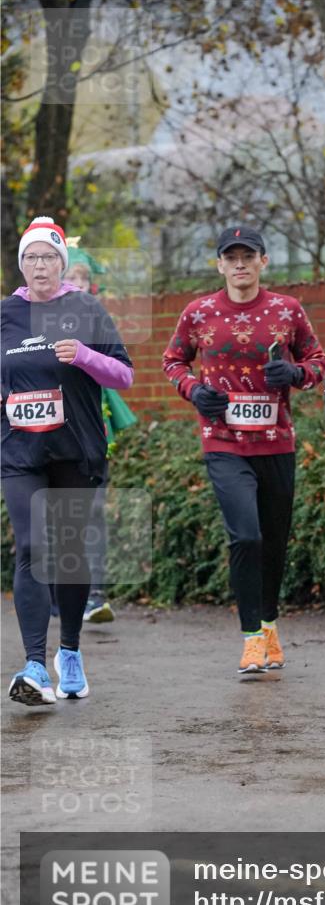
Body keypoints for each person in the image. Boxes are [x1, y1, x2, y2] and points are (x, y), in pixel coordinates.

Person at [162, 225, 325, 675]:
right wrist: (195, 391)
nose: (240, 264)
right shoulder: (198, 313)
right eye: (230, 257)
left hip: (276, 442)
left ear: (263, 262)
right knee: (246, 536)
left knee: (273, 542)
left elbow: (319, 363)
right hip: (224, 441)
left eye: (248, 256)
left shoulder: (287, 310)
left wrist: (293, 375)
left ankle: (270, 626)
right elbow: (172, 361)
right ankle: (252, 638)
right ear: (219, 265)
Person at [2, 217, 133, 706]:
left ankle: (70, 652)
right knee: (32, 546)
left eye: (50, 256)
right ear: (22, 263)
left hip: (76, 446)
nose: (41, 264)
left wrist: (82, 355)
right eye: (32, 256)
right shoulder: (6, 314)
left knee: (70, 550)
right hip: (20, 451)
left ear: (62, 263)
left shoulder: (85, 307)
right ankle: (35, 664)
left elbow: (123, 376)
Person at [65, 242, 137, 623]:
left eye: (83, 277)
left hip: (92, 434)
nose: (78, 283)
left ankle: (96, 594)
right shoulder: (30, 318)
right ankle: (57, 591)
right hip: (46, 438)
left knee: (92, 513)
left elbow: (121, 372)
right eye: (71, 276)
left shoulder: (97, 319)